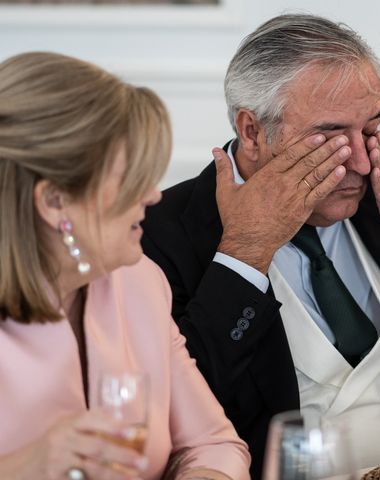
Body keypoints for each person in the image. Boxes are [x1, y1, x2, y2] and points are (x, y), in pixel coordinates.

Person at [141, 14, 380, 476]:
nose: (358, 159)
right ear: (252, 131)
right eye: (330, 135)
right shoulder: (159, 233)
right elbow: (169, 422)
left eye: (372, 128)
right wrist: (244, 253)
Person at [0, 52, 250, 480]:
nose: (153, 196)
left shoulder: (138, 283)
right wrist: (27, 466)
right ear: (53, 200)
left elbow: (213, 443)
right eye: (132, 178)